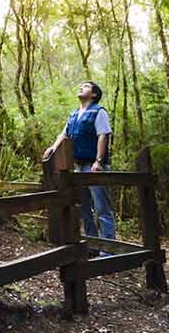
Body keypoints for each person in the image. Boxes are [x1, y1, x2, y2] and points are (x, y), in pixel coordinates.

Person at [43, 80, 116, 242]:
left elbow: (103, 135)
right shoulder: (74, 114)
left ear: (94, 94)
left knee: (102, 207)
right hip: (78, 166)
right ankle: (93, 244)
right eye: (81, 85)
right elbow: (64, 134)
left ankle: (109, 247)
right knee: (84, 208)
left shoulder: (99, 112)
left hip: (94, 166)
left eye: (86, 86)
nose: (81, 87)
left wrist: (98, 161)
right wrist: (53, 148)